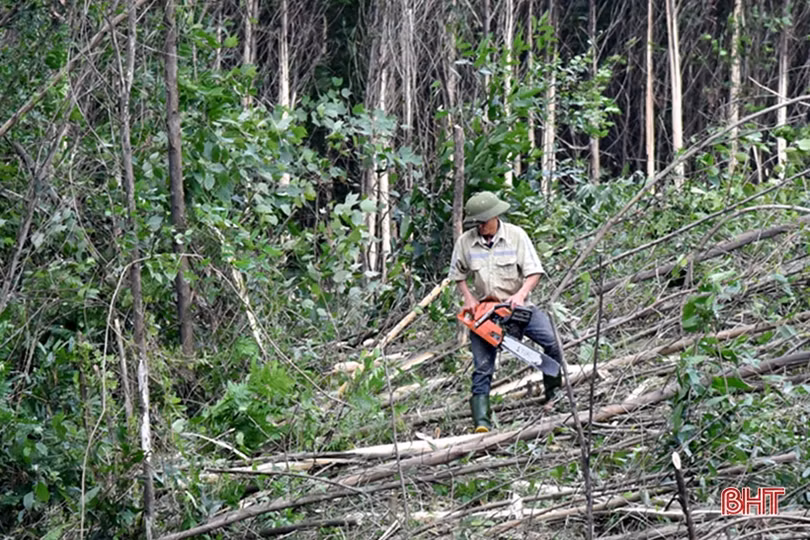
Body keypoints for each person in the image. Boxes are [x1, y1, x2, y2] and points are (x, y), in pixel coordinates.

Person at [448, 191, 563, 433]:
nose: (480, 227)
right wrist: (468, 298)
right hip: (484, 311)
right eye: (476, 223)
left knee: (552, 342)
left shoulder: (516, 236)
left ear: (495, 216)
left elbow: (534, 272)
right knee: (482, 366)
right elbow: (457, 274)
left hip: (517, 306)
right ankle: (482, 421)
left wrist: (520, 295)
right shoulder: (466, 242)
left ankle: (555, 395)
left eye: (483, 222)